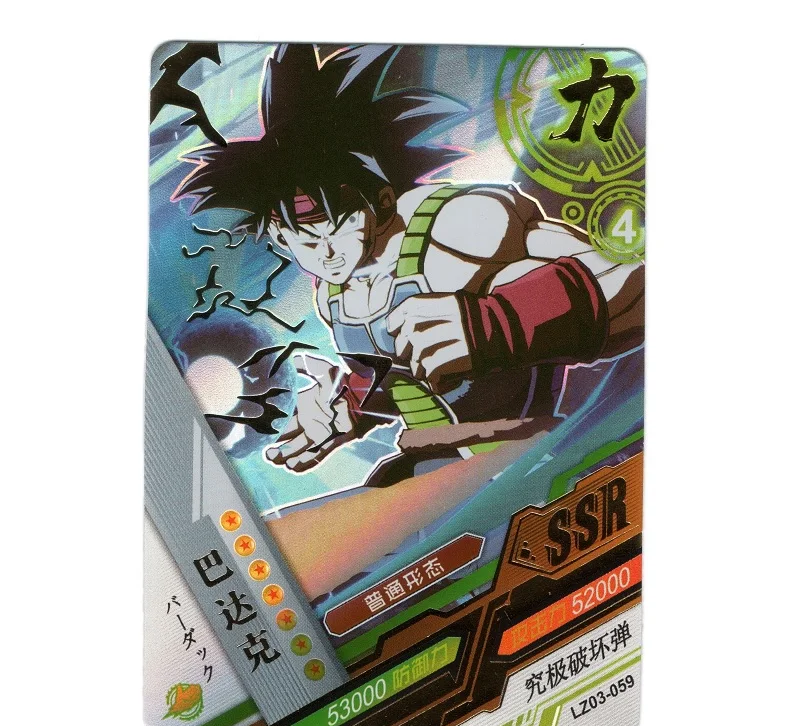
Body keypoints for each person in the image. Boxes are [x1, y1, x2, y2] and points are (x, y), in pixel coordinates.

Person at [174, 44, 643, 483]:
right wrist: (347, 408)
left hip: (531, 458)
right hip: (434, 467)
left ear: (380, 201)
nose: (327, 253)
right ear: (279, 235)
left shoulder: (459, 224)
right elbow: (404, 375)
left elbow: (630, 285)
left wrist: (499, 322)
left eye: (341, 226)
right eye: (304, 239)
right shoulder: (335, 292)